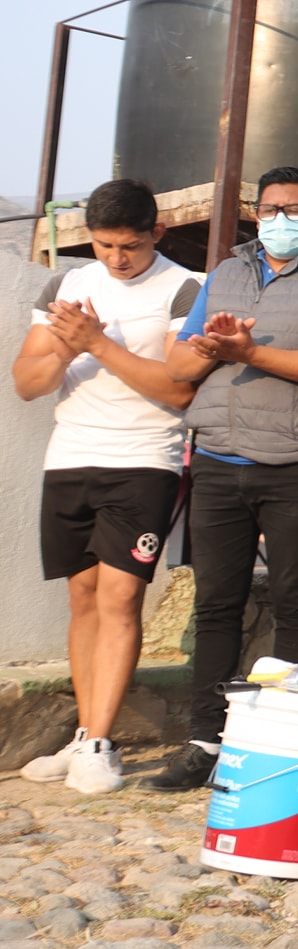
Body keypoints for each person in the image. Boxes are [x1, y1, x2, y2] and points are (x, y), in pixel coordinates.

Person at [153, 166, 298, 791]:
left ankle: (290, 739)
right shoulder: (225, 274)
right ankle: (205, 740)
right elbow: (177, 359)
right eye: (271, 209)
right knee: (216, 603)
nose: (281, 219)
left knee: (292, 599)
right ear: (256, 214)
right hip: (220, 459)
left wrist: (248, 354)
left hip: (297, 463)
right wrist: (215, 343)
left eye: (295, 209)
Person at [11, 179, 203, 794]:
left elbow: (177, 387)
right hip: (71, 454)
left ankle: (99, 742)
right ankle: (81, 738)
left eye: (128, 246)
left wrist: (96, 342)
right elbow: (27, 382)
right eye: (102, 245)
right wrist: (69, 351)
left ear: (157, 233)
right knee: (83, 596)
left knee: (121, 597)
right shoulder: (66, 285)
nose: (116, 259)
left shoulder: (183, 287)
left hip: (145, 458)